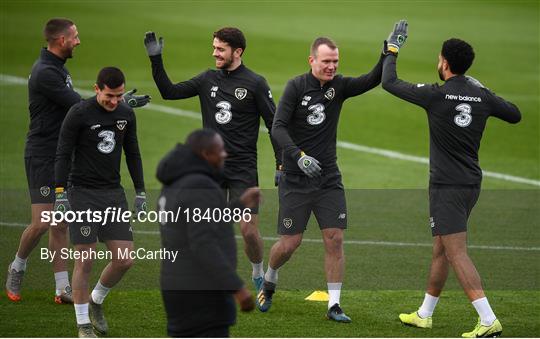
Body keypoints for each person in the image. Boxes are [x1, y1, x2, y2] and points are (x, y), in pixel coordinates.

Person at [381, 20, 521, 338]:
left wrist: (392, 48)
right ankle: (424, 314)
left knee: (456, 251)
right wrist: (482, 90)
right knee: (441, 250)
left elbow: (389, 82)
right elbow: (514, 114)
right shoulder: (480, 95)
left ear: (444, 62)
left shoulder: (436, 96)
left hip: (447, 187)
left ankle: (488, 320)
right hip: (471, 183)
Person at [5, 18, 150, 304]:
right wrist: (120, 104)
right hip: (44, 154)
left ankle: (62, 288)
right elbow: (81, 105)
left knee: (61, 222)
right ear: (61, 40)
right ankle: (18, 265)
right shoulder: (45, 72)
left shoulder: (58, 68)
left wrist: (117, 104)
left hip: (66, 153)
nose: (79, 41)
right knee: (43, 221)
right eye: (75, 36)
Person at [258, 33, 387, 322]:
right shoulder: (295, 87)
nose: (332, 67)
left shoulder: (339, 86)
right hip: (296, 177)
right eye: (326, 61)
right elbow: (278, 128)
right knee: (290, 244)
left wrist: (388, 53)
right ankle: (270, 277)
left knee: (335, 238)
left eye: (336, 61)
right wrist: (299, 156)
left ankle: (334, 305)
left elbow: (370, 80)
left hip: (328, 178)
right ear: (312, 60)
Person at [144, 27, 281, 292]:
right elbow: (169, 92)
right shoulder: (207, 78)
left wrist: (280, 163)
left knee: (248, 231)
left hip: (242, 167)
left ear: (237, 51)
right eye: (214, 47)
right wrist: (156, 60)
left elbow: (274, 124)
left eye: (220, 49)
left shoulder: (255, 83)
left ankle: (257, 271)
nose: (214, 53)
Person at [54, 67, 147, 338]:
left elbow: (133, 153)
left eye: (119, 96)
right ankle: (83, 325)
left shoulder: (126, 113)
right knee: (85, 259)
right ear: (97, 89)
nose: (115, 101)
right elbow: (62, 154)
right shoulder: (79, 113)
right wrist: (60, 194)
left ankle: (96, 300)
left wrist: (140, 191)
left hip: (112, 194)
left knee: (125, 259)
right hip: (81, 192)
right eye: (109, 95)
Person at [158, 129, 257, 337]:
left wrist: (238, 205)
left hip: (175, 286)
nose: (224, 154)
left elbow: (198, 223)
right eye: (219, 150)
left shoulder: (173, 185)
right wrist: (238, 288)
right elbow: (203, 244)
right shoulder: (201, 186)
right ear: (205, 154)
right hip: (202, 292)